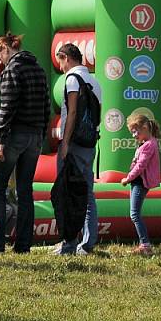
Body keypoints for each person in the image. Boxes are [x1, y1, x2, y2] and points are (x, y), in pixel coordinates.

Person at [0, 34, 50, 254]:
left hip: (14, 135)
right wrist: (41, 134)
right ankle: (23, 244)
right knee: (25, 190)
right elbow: (46, 105)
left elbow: (6, 108)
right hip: (35, 136)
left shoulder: (11, 71)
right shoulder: (39, 69)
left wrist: (0, 140)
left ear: (5, 48)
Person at [52, 43, 102, 256]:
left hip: (73, 144)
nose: (60, 66)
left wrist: (64, 143)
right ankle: (88, 242)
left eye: (60, 61)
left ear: (65, 57)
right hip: (89, 142)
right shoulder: (94, 79)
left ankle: (70, 242)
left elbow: (72, 113)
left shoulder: (72, 79)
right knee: (86, 192)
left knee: (67, 192)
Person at [121, 115, 161, 256]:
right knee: (135, 213)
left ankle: (145, 245)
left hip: (140, 182)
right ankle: (144, 244)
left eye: (135, 131)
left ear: (145, 128)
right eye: (132, 132)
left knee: (134, 214)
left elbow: (140, 166)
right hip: (138, 181)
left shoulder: (149, 145)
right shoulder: (147, 142)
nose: (134, 135)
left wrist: (128, 178)